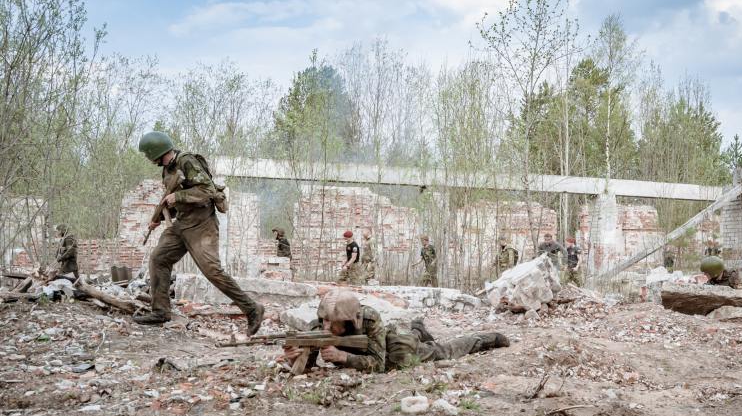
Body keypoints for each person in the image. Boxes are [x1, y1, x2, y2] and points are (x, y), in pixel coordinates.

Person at [134, 131, 265, 335]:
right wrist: (157, 218)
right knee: (158, 258)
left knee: (212, 271)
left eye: (147, 154)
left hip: (201, 225)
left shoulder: (187, 161)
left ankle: (252, 308)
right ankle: (160, 311)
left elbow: (208, 190)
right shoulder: (167, 169)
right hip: (181, 225)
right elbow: (170, 198)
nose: (147, 158)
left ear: (155, 151)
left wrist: (178, 196)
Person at [280, 290, 509, 373]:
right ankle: (418, 328)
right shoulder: (317, 327)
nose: (327, 328)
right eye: (324, 321)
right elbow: (305, 368)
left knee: (439, 351)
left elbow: (378, 365)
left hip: (392, 348)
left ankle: (485, 339)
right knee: (414, 335)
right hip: (373, 351)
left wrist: (343, 357)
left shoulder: (369, 319)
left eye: (334, 323)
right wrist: (295, 358)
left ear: (350, 320)